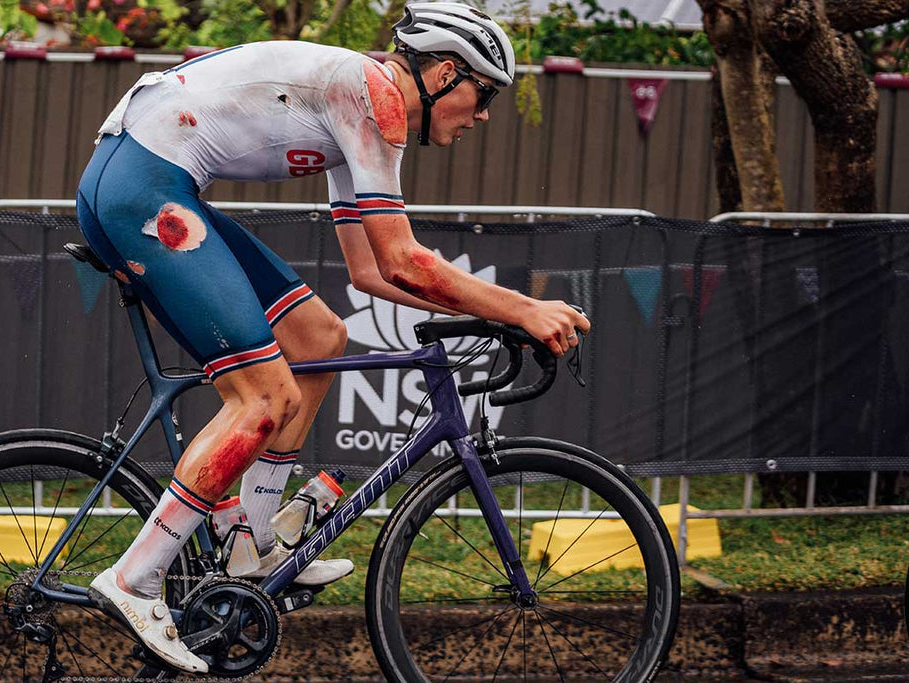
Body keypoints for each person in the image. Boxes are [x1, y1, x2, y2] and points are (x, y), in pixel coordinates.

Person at [75, 2, 590, 673]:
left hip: (147, 182)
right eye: (483, 92)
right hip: (142, 189)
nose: (484, 112)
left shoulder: (364, 103)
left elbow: (371, 270)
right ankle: (135, 576)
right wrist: (521, 308)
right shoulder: (373, 95)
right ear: (442, 73)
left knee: (318, 337)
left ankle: (249, 543)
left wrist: (494, 312)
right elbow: (407, 262)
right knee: (263, 397)